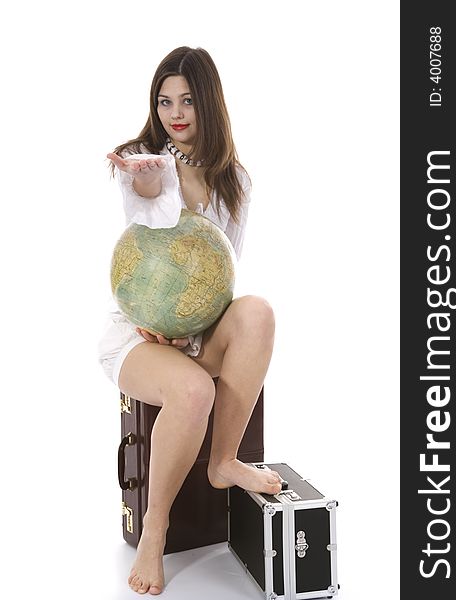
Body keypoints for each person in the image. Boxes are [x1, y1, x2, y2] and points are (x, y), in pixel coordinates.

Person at [98, 46, 282, 596]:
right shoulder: (150, 165)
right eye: (163, 101)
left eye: (187, 100)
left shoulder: (236, 182)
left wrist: (193, 330)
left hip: (195, 331)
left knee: (257, 312)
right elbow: (147, 202)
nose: (175, 113)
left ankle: (223, 460)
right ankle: (155, 531)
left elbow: (222, 276)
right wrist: (139, 175)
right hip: (141, 334)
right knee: (194, 390)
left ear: (209, 102)